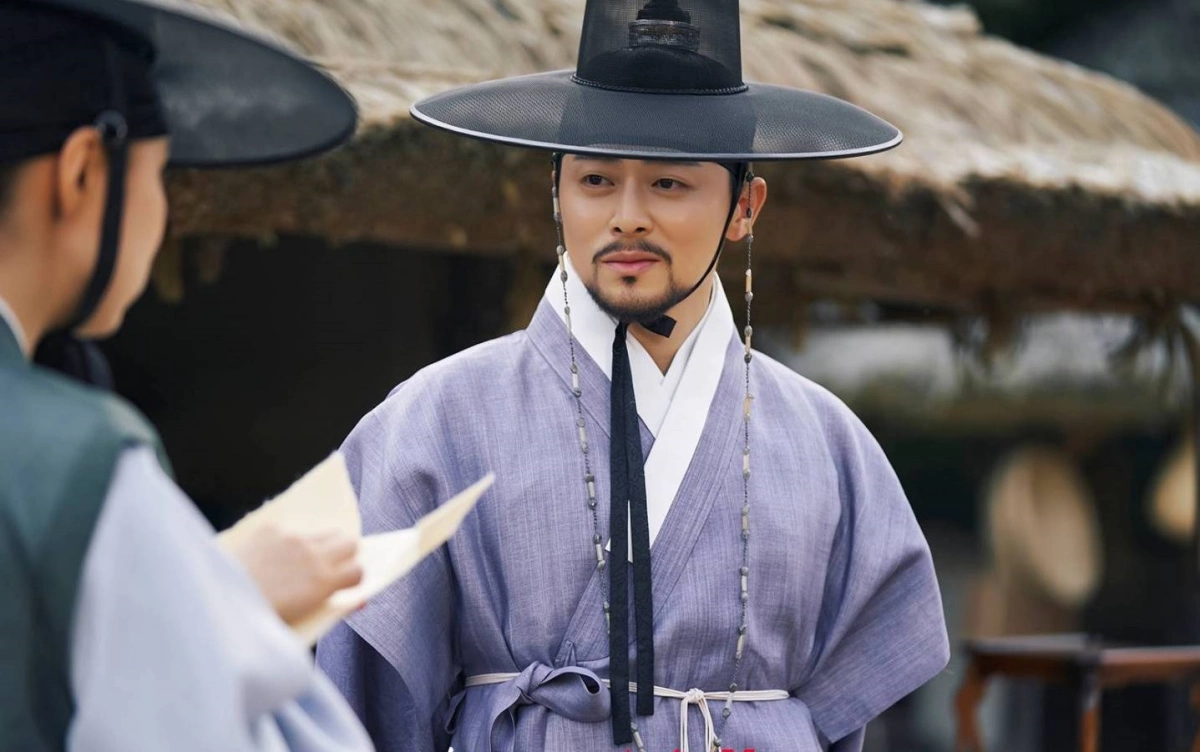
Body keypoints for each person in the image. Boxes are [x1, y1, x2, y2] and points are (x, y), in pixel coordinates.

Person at [317, 1, 949, 750]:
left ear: (744, 207)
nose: (627, 217)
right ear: (556, 194)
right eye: (595, 180)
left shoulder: (828, 442)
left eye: (669, 184)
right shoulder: (435, 419)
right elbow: (360, 711)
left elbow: (842, 711)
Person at [0, 1, 372, 750]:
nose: (161, 212)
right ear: (80, 172)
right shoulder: (82, 465)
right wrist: (220, 603)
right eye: (158, 175)